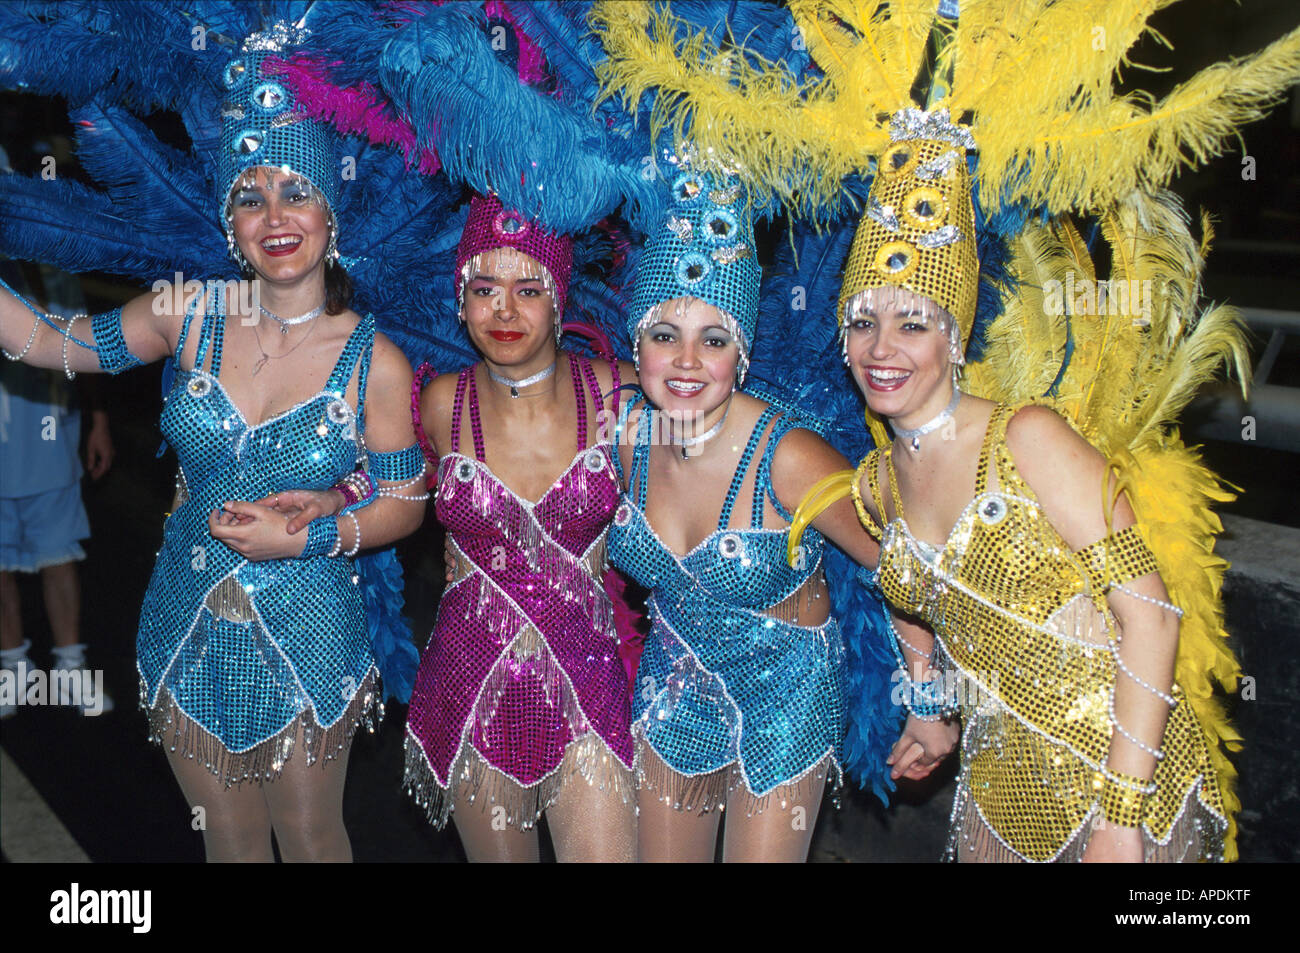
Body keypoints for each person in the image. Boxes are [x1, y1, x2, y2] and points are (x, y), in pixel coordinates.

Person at [0, 41, 426, 861]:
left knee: (309, 840)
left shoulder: (372, 359)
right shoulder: (185, 315)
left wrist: (312, 534)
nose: (275, 219)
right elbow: (53, 344)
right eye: (251, 198)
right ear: (229, 221)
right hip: (183, 622)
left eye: (296, 193)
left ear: (330, 212)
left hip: (310, 627)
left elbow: (405, 501)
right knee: (226, 845)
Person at [816, 111, 1231, 862]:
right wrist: (931, 705)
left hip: (1121, 778)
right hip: (1001, 791)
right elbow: (912, 598)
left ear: (955, 335)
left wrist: (1121, 818)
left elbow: (1153, 619)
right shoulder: (877, 483)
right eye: (862, 323)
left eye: (913, 323)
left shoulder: (1026, 438)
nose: (882, 349)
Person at [607, 155, 950, 863]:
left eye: (714, 339)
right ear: (635, 345)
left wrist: (931, 698)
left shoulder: (787, 455)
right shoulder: (620, 434)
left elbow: (902, 568)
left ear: (743, 352)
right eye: (665, 335)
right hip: (678, 674)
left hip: (787, 691)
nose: (686, 362)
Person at [369, 193, 635, 863]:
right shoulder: (438, 404)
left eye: (528, 289)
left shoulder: (617, 396)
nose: (505, 311)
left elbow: (703, 473)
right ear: (460, 300)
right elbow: (388, 489)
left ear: (559, 296)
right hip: (469, 688)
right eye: (484, 289)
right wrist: (318, 511)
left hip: (591, 690)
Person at [0, 259, 114, 718]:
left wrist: (99, 421)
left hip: (49, 436)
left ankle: (69, 666)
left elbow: (84, 351)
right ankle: (12, 667)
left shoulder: (54, 270)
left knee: (60, 554)